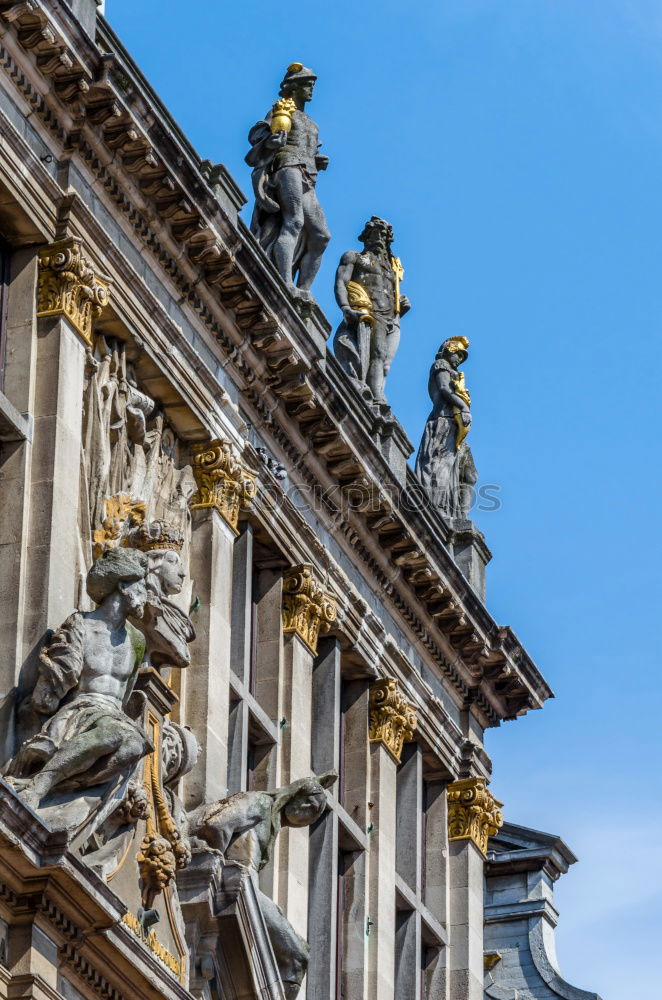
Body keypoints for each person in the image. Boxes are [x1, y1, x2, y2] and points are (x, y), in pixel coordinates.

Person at [6, 547, 153, 809]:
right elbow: (53, 687)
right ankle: (40, 787)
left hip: (114, 715)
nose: (148, 596)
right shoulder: (81, 625)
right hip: (80, 711)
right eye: (143, 587)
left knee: (134, 744)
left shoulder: (137, 640)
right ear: (123, 584)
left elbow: (127, 692)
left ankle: (53, 786)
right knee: (114, 733)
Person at [188, 772, 337, 998]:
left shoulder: (271, 822)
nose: (307, 810)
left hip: (241, 887)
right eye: (307, 801)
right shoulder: (261, 803)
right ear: (294, 794)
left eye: (314, 811)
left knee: (298, 953)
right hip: (232, 883)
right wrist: (213, 867)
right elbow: (218, 825)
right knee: (298, 955)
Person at [246, 63, 330, 298]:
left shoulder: (311, 123)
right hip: (287, 166)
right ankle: (285, 283)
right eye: (308, 85)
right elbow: (259, 134)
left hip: (307, 174)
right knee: (294, 222)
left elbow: (309, 148)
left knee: (322, 236)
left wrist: (317, 160)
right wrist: (271, 142)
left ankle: (303, 290)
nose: (311, 90)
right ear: (295, 87)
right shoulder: (282, 109)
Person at [333, 217, 410, 405]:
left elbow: (389, 294)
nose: (378, 239)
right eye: (374, 234)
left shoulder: (391, 270)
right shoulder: (353, 257)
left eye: (382, 236)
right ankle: (376, 397)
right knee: (377, 352)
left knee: (384, 363)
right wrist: (345, 308)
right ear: (365, 237)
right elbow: (341, 283)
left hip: (388, 318)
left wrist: (400, 306)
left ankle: (376, 394)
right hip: (368, 314)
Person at [415, 337, 478, 519]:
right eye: (457, 354)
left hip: (456, 428)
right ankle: (437, 510)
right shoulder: (440, 364)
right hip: (443, 423)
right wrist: (464, 407)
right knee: (439, 467)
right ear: (448, 351)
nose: (459, 359)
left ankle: (460, 517)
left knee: (470, 475)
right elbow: (443, 388)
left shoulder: (456, 374)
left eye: (462, 357)